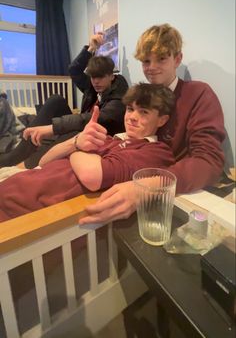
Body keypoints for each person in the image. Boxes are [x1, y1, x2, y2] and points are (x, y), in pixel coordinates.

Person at [79, 23, 225, 225]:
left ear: (178, 59)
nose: (152, 68)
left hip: (169, 198)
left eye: (162, 58)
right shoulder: (143, 94)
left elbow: (209, 161)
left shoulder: (198, 94)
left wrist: (148, 186)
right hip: (124, 178)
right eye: (146, 61)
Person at [0, 83, 175, 221]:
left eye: (143, 112)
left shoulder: (154, 151)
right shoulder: (111, 139)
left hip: (24, 207)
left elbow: (92, 176)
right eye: (130, 109)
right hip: (18, 185)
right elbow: (43, 161)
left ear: (162, 120)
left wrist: (79, 148)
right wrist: (77, 141)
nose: (132, 117)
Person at [0, 33, 128, 168]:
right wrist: (91, 48)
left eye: (100, 77)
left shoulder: (119, 98)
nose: (95, 82)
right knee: (56, 100)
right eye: (93, 77)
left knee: (75, 131)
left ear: (111, 77)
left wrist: (52, 128)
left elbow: (87, 119)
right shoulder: (94, 86)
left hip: (99, 136)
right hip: (85, 127)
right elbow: (74, 69)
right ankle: (20, 151)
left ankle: (27, 163)